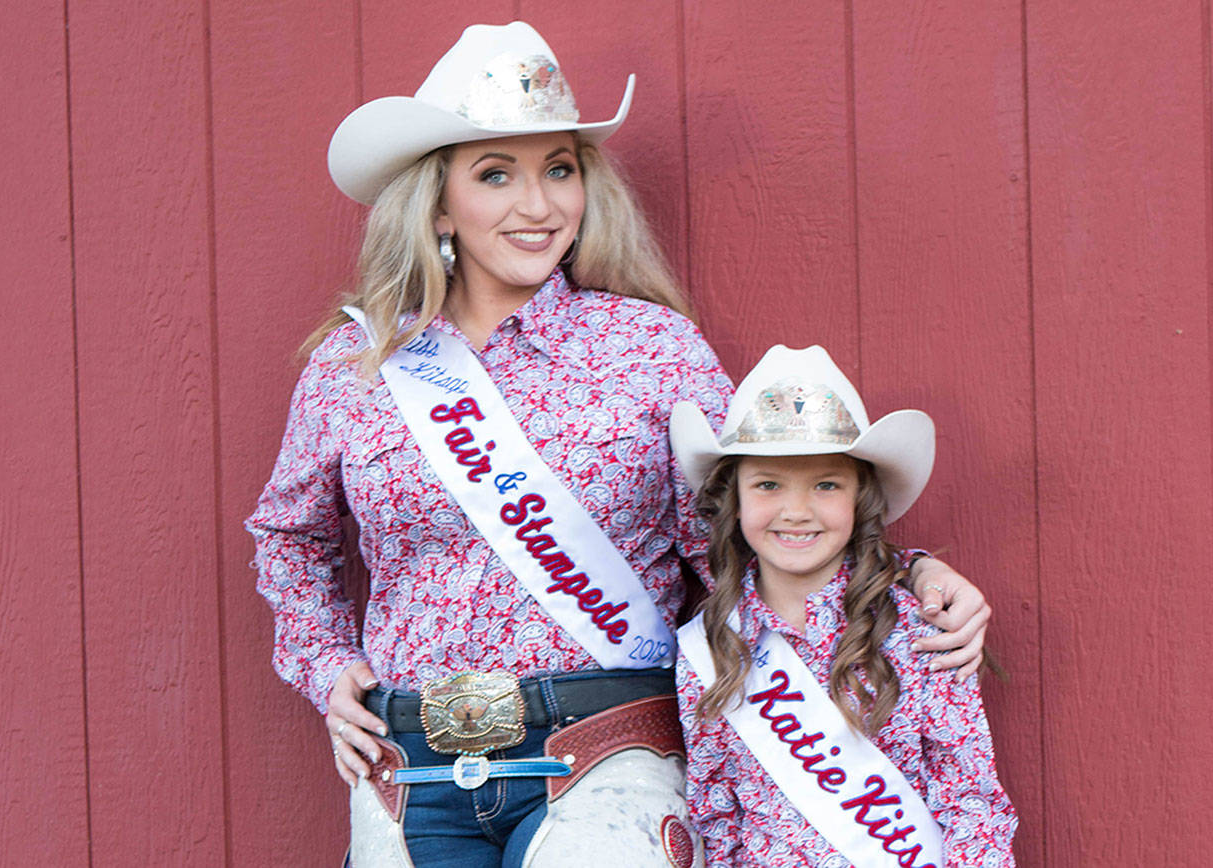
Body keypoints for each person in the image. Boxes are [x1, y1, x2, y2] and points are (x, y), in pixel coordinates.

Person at [246, 21, 992, 868]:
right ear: (438, 202)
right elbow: (290, 537)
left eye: (559, 170)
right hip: (410, 764)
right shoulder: (358, 366)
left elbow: (739, 538)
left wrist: (908, 575)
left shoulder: (652, 350)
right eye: (497, 175)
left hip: (614, 744)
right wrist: (325, 666)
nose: (539, 206)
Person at [672, 345, 1017, 867]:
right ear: (734, 499)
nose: (796, 511)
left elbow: (971, 804)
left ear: (860, 500)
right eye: (768, 484)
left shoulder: (919, 631)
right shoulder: (711, 646)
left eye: (826, 485)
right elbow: (716, 818)